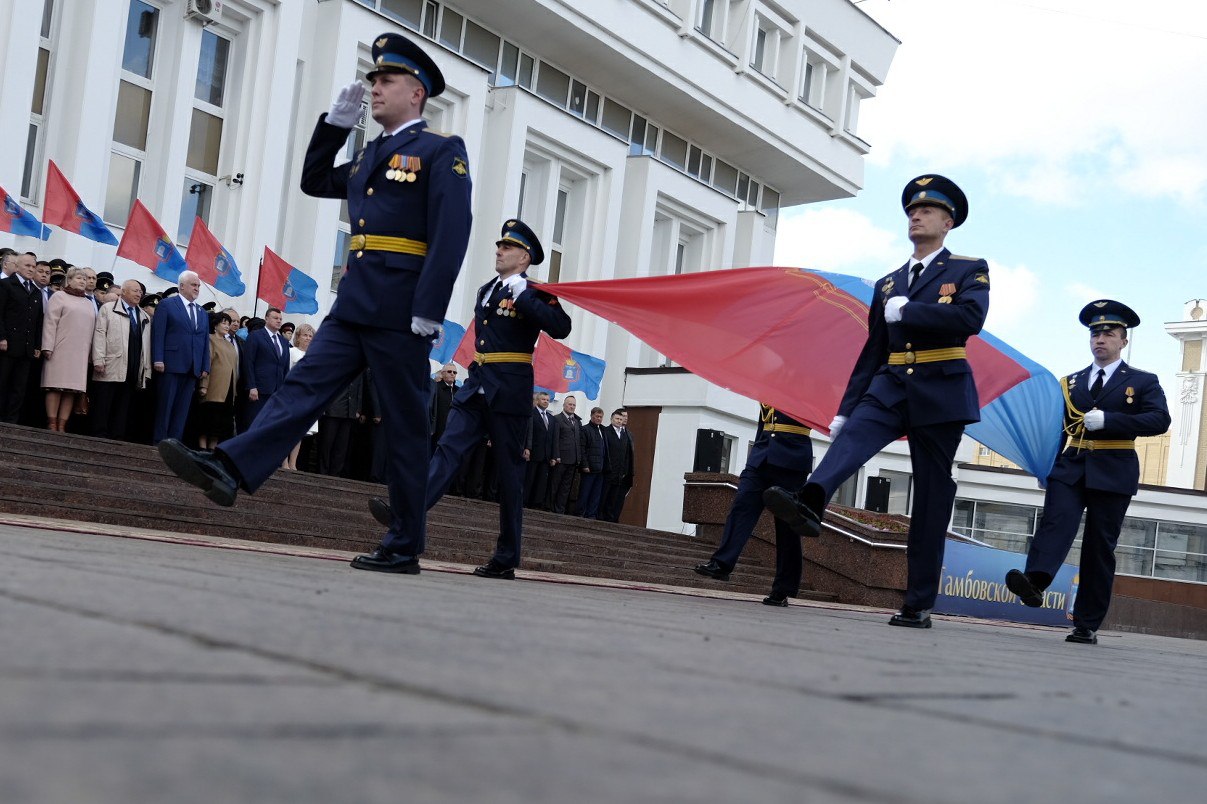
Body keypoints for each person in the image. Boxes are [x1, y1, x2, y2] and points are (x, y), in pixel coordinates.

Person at [158, 32, 473, 579]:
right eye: (372, 80)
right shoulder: (371, 152)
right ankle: (230, 467)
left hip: (403, 309)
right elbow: (312, 181)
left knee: (404, 426)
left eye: (386, 80)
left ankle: (404, 543)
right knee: (300, 390)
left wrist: (431, 307)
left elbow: (452, 232)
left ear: (417, 92)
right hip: (354, 302)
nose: (374, 88)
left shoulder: (440, 151)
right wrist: (333, 127)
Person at [763, 174, 990, 629]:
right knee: (851, 440)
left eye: (926, 210)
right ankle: (811, 499)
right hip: (889, 384)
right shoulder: (888, 284)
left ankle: (918, 602)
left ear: (947, 222)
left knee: (930, 496)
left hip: (941, 389)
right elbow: (872, 351)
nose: (916, 216)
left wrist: (911, 311)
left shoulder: (968, 269)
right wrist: (846, 407)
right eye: (911, 210)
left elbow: (970, 318)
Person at [364, 220, 572, 577]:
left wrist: (525, 296)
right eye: (499, 246)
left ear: (524, 257)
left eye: (506, 248)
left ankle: (506, 558)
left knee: (509, 477)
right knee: (447, 451)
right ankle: (406, 522)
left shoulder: (535, 292)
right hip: (476, 384)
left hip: (509, 390)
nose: (498, 251)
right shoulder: (486, 289)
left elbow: (561, 326)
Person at [1005, 301, 1169, 644]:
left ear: (1124, 341)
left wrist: (1112, 420)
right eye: (1095, 333)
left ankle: (1086, 622)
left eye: (1109, 333)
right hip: (1072, 465)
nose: (1100, 339)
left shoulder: (1142, 381)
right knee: (1055, 522)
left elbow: (1159, 420)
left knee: (1099, 546)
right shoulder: (1071, 382)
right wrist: (1045, 465)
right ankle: (1035, 583)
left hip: (1114, 468)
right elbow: (1057, 429)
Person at [695, 405, 814, 606]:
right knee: (741, 506)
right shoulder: (771, 382)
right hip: (762, 454)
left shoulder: (809, 383)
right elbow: (765, 419)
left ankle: (782, 590)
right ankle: (722, 564)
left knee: (787, 526)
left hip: (792, 456)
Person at [150, 271, 210, 443]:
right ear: (182, 286)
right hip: (170, 364)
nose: (197, 288)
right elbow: (158, 333)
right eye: (194, 285)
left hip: (192, 367)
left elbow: (204, 340)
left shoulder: (201, 312)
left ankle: (174, 444)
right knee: (165, 407)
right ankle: (159, 442)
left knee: (182, 410)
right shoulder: (167, 304)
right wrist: (158, 358)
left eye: (198, 286)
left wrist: (205, 365)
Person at [90, 279, 150, 440]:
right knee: (104, 401)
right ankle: (99, 433)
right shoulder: (108, 309)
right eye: (135, 290)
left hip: (133, 365)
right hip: (111, 362)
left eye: (140, 291)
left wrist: (146, 369)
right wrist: (98, 359)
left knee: (123, 403)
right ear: (123, 292)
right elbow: (100, 334)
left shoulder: (143, 315)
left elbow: (145, 345)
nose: (139, 294)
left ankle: (117, 435)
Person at [41, 267, 97, 431]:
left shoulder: (88, 303)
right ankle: (52, 422)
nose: (82, 281)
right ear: (69, 280)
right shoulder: (59, 297)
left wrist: (90, 354)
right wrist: (47, 346)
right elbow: (50, 323)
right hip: (60, 348)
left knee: (72, 390)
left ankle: (62, 424)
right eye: (79, 278)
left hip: (80, 352)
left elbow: (92, 330)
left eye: (84, 279)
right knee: (55, 386)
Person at [0, 252, 44, 423]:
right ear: (17, 267)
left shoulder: (35, 291)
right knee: (2, 382)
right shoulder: (5, 285)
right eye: (27, 265)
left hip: (26, 348)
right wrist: (1, 337)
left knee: (19, 387)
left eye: (33, 266)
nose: (31, 269)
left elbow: (39, 321)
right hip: (7, 345)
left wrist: (37, 345)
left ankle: (11, 420)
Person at [197, 312, 239, 449]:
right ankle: (202, 448)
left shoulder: (230, 345)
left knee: (220, 424)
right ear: (215, 325)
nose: (227, 326)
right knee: (207, 421)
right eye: (224, 323)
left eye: (228, 323)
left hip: (228, 390)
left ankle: (212, 449)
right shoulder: (210, 339)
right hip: (214, 387)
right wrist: (204, 385)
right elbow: (207, 362)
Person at [243, 307, 291, 426]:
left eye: (280, 319)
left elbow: (285, 367)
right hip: (259, 391)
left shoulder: (283, 342)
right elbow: (248, 362)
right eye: (275, 318)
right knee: (254, 425)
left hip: (277, 392)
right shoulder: (256, 336)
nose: (279, 321)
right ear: (266, 318)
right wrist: (252, 386)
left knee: (269, 426)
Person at [283, 323, 317, 470]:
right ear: (298, 336)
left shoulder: (314, 356)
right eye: (305, 335)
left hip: (306, 398)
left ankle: (293, 463)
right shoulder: (291, 352)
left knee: (299, 432)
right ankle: (284, 462)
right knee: (286, 430)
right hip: (291, 396)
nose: (308, 338)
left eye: (310, 336)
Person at [549, 394, 582, 513]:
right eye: (570, 404)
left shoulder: (577, 421)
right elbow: (555, 439)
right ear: (564, 405)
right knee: (555, 485)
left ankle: (560, 509)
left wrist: (579, 458)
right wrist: (556, 455)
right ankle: (550, 507)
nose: (572, 407)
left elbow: (578, 441)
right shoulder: (557, 419)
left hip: (573, 460)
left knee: (566, 487)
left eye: (574, 405)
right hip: (560, 459)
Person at [600, 408, 635, 522]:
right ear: (612, 419)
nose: (621, 420)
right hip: (608, 471)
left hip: (621, 473)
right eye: (619, 418)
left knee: (615, 498)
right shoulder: (605, 431)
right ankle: (601, 516)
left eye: (623, 418)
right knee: (604, 495)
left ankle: (611, 518)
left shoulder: (627, 434)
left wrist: (626, 470)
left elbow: (627, 455)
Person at [524, 390, 556, 508]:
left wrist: (553, 455)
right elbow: (529, 432)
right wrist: (527, 448)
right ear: (537, 400)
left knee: (541, 481)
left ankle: (536, 503)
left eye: (547, 400)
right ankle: (525, 501)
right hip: (533, 453)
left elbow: (552, 438)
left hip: (546, 455)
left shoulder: (550, 418)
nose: (546, 402)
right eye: (543, 399)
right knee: (529, 478)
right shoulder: (531, 413)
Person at [577, 406, 608, 518]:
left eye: (601, 417)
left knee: (596, 494)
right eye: (597, 416)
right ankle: (580, 513)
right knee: (585, 492)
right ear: (591, 416)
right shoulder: (585, 429)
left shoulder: (603, 430)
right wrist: (585, 465)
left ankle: (591, 514)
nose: (599, 419)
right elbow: (582, 448)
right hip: (589, 468)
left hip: (600, 468)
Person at [429, 362, 457, 451]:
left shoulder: (459, 391)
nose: (452, 374)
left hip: (454, 433)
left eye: (454, 372)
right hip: (437, 432)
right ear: (442, 373)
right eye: (449, 371)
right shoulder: (435, 388)